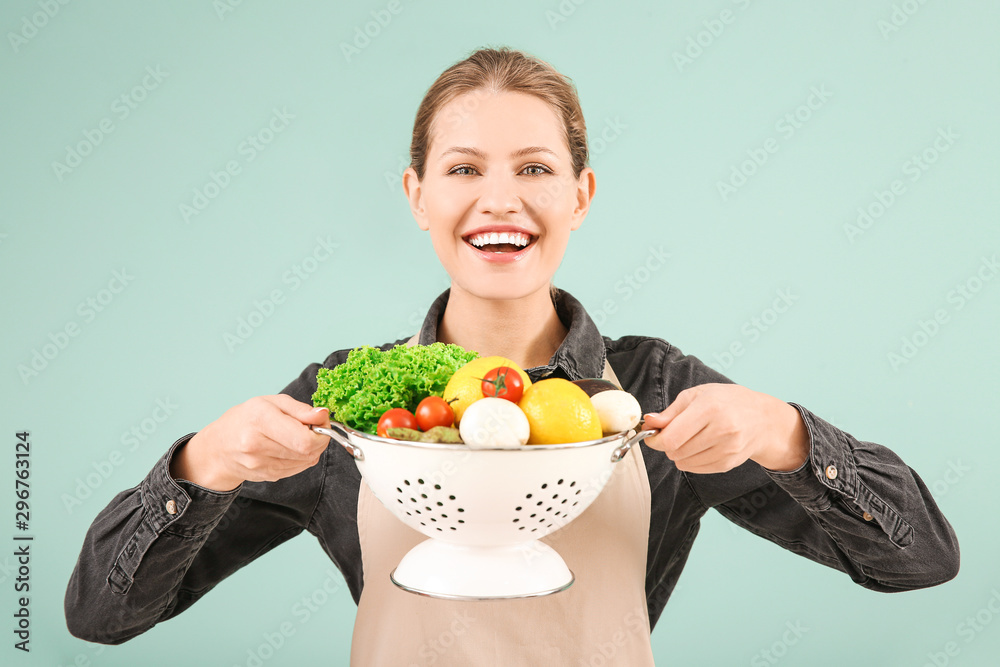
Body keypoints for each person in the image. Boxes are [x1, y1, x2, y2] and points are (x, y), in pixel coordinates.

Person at [65, 46, 959, 665]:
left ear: (582, 193)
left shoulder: (654, 388)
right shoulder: (349, 402)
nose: (502, 199)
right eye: (462, 169)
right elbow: (101, 616)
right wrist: (201, 464)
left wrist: (785, 430)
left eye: (535, 168)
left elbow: (917, 557)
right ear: (417, 195)